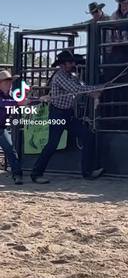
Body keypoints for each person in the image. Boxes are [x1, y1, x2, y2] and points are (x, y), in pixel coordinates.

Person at [31, 50, 102, 184]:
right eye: (70, 62)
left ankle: (87, 172)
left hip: (67, 114)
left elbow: (80, 87)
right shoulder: (60, 77)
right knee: (52, 144)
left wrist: (92, 91)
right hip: (57, 113)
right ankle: (36, 173)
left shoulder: (72, 76)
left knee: (87, 135)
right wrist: (94, 90)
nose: (72, 64)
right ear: (63, 65)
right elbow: (75, 89)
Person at [0, 70, 23, 185]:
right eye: (6, 81)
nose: (9, 84)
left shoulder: (8, 96)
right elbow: (3, 103)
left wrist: (39, 100)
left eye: (10, 81)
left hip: (1, 128)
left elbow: (14, 102)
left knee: (10, 150)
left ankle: (17, 174)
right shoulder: (5, 98)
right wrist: (19, 103)